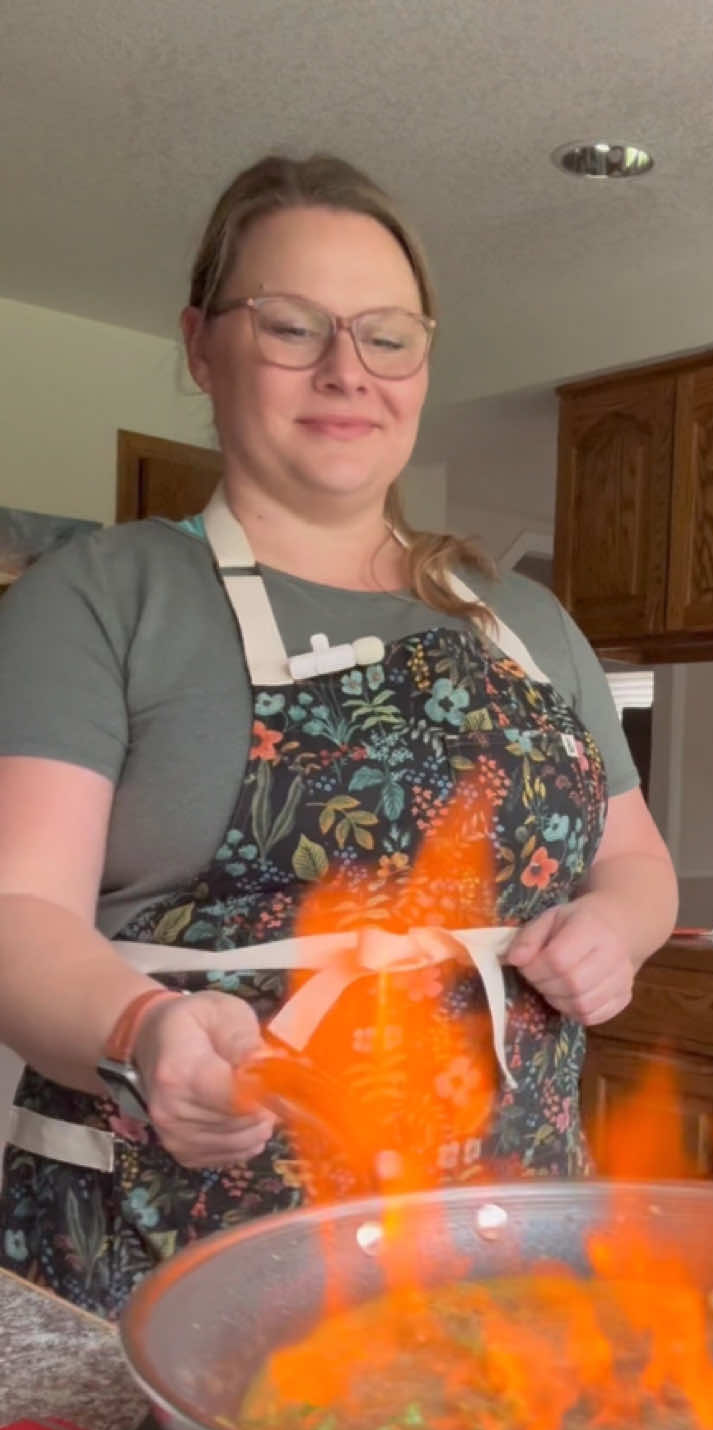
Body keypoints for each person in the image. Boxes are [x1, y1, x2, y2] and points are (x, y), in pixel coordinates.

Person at [0, 153, 678, 1319]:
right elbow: (17, 915)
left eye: (386, 334)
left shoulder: (525, 622)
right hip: (174, 1262)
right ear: (201, 346)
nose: (345, 371)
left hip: (499, 1265)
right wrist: (143, 1031)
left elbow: (637, 862)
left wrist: (614, 928)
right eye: (291, 326)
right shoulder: (104, 596)